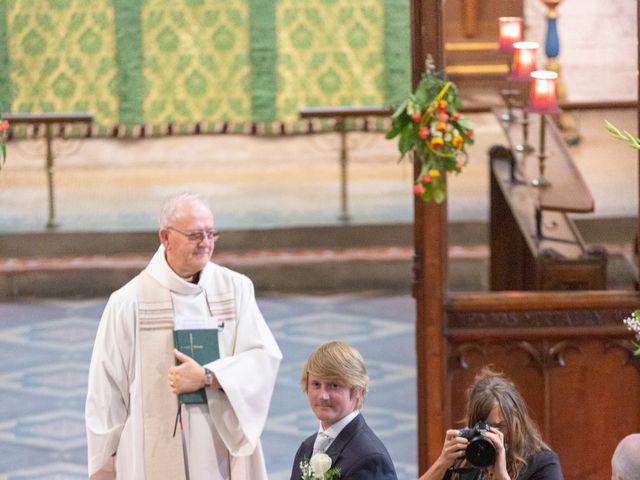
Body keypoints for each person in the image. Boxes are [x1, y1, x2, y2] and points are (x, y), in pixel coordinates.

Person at [85, 192, 282, 480]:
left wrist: (208, 376)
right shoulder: (129, 302)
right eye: (194, 235)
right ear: (165, 237)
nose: (206, 243)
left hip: (218, 446)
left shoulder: (236, 289)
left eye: (210, 233)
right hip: (148, 447)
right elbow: (106, 387)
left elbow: (262, 358)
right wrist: (105, 462)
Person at [420, 367, 563, 480]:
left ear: (517, 420)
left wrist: (502, 476)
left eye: (501, 426)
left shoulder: (543, 463)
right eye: (485, 427)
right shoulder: (468, 455)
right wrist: (442, 463)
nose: (493, 435)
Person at [290, 341, 398, 480]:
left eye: (334, 385)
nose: (323, 396)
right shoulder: (306, 448)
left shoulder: (369, 458)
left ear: (359, 390)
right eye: (316, 384)